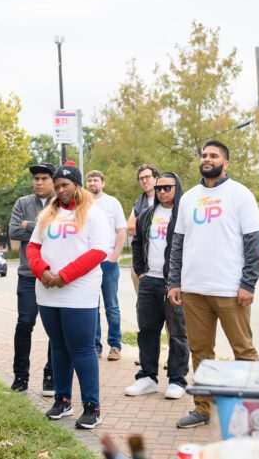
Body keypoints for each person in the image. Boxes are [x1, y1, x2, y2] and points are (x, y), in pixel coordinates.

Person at [167, 140, 259, 429]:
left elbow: (254, 242)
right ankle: (203, 409)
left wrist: (248, 283)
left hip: (230, 291)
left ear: (226, 162)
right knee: (201, 352)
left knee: (243, 351)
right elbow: (178, 244)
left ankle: (256, 411)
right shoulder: (189, 198)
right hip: (194, 290)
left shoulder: (240, 194)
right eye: (204, 155)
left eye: (214, 155)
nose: (207, 159)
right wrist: (174, 281)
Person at [27, 165, 111, 430]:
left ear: (77, 185)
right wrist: (43, 272)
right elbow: (33, 247)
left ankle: (92, 407)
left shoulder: (93, 215)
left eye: (66, 184)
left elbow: (98, 252)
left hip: (78, 292)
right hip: (48, 292)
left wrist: (63, 276)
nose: (61, 190)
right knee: (58, 347)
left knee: (82, 349)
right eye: (58, 185)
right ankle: (63, 400)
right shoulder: (47, 215)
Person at [127, 172, 190, 399]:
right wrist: (141, 271)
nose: (162, 192)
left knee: (177, 333)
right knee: (147, 331)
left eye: (167, 187)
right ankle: (147, 378)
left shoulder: (183, 214)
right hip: (149, 282)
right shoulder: (146, 214)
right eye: (159, 188)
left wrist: (181, 279)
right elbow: (136, 243)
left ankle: (177, 380)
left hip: (173, 283)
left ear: (177, 188)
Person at [8, 161, 57, 395]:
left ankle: (51, 375)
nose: (38, 182)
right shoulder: (22, 203)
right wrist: (42, 227)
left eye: (44, 178)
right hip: (28, 275)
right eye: (36, 179)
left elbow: (58, 231)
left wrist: (31, 225)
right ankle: (20, 377)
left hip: (53, 276)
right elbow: (14, 231)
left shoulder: (62, 204)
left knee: (54, 329)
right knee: (25, 324)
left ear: (53, 180)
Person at [86, 169, 127, 361]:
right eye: (90, 180)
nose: (92, 183)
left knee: (111, 305)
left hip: (108, 262)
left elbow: (121, 231)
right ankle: (95, 346)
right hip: (89, 263)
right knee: (92, 305)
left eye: (96, 180)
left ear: (103, 183)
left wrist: (114, 257)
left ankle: (115, 345)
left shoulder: (112, 203)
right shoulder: (83, 204)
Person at [126, 164, 159, 292]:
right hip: (141, 257)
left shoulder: (166, 197)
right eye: (141, 178)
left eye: (148, 177)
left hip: (162, 257)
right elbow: (130, 229)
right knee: (143, 302)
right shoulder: (139, 202)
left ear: (156, 177)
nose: (145, 181)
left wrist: (142, 225)